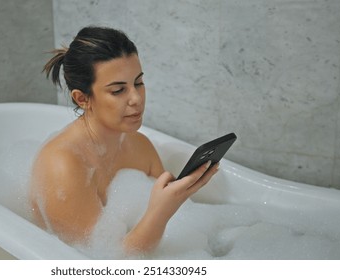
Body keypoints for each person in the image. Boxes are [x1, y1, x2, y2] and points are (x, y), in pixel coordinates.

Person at [30, 26, 219, 255]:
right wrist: (162, 211)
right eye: (118, 90)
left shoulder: (140, 146)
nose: (136, 99)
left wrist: (180, 196)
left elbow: (172, 225)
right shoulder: (62, 166)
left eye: (138, 83)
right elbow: (106, 265)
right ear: (82, 98)